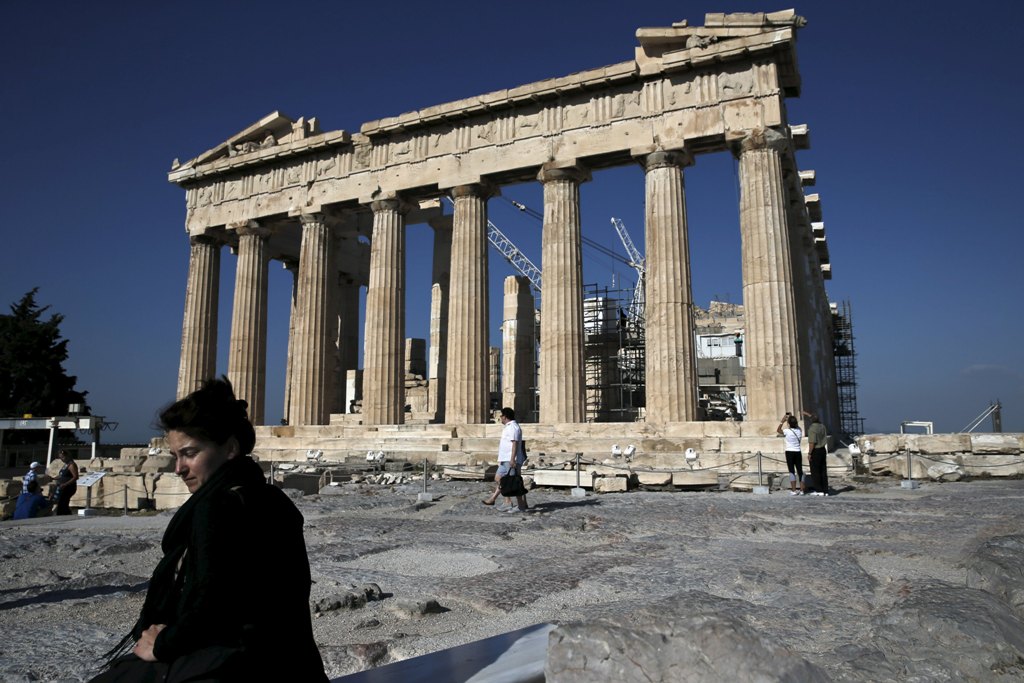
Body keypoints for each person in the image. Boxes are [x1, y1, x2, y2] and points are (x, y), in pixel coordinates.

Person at [91, 377, 327, 682]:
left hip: (239, 668)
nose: (178, 468)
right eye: (176, 455)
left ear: (230, 448)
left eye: (190, 453)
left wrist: (162, 644)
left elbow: (212, 605)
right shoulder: (271, 497)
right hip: (294, 665)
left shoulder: (217, 506)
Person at [482, 407, 527, 512]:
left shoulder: (513, 427)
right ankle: (506, 501)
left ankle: (521, 506)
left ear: (505, 417)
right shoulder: (508, 427)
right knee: (498, 479)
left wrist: (512, 459)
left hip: (510, 459)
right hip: (504, 459)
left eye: (501, 416)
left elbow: (514, 443)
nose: (500, 418)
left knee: (514, 483)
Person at [777, 413, 804, 495]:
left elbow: (778, 430)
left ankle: (794, 490)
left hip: (789, 452)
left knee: (791, 471)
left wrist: (782, 421)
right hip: (798, 451)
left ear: (788, 423)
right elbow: (797, 426)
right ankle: (802, 490)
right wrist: (792, 418)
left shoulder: (787, 431)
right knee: (800, 471)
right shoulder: (799, 430)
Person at [805, 412, 829, 496]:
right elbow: (814, 418)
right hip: (823, 450)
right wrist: (807, 414)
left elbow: (812, 443)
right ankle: (825, 490)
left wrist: (809, 453)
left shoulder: (812, 429)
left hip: (816, 451)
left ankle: (819, 490)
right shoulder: (822, 426)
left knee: (815, 471)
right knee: (823, 470)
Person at [53, 450, 79, 515]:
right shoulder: (65, 465)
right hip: (62, 487)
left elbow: (75, 477)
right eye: (60, 458)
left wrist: (65, 484)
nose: (62, 459)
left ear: (67, 456)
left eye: (63, 457)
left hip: (68, 487)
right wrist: (53, 478)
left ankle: (65, 514)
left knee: (63, 502)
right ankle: (64, 514)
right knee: (61, 502)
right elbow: (61, 475)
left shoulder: (71, 465)